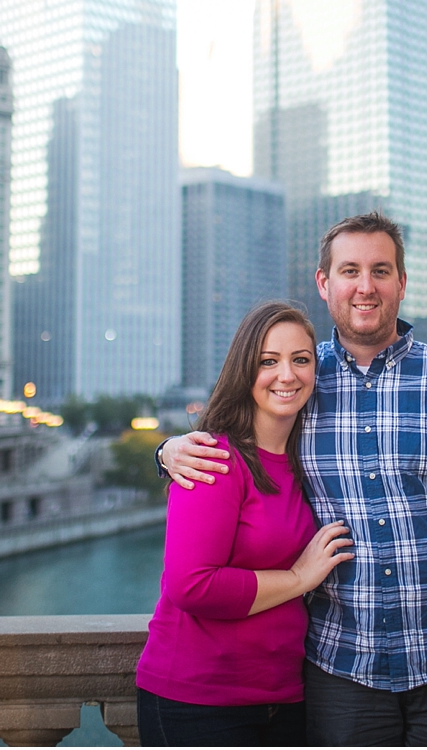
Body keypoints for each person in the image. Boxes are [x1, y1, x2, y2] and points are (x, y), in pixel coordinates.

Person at [160, 212, 427, 746]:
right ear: (324, 283)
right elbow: (230, 438)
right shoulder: (298, 376)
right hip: (340, 666)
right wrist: (166, 451)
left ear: (401, 282)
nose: (365, 286)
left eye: (380, 270)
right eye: (349, 270)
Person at [136, 301, 356, 746]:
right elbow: (191, 585)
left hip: (285, 696)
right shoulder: (213, 458)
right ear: (244, 370)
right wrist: (298, 578)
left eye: (301, 360)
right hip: (199, 701)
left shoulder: (305, 461)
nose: (287, 375)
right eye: (268, 362)